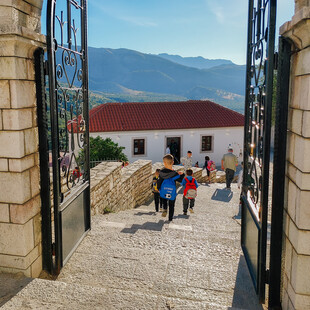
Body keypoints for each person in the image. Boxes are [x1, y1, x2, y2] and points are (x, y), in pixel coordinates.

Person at [157, 154, 184, 222]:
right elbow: (180, 180)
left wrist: (158, 188)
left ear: (164, 163)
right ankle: (170, 218)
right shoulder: (174, 173)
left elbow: (159, 181)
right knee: (172, 205)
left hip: (163, 191)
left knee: (164, 200)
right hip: (172, 192)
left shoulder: (161, 172)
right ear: (173, 162)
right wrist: (182, 174)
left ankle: (165, 209)